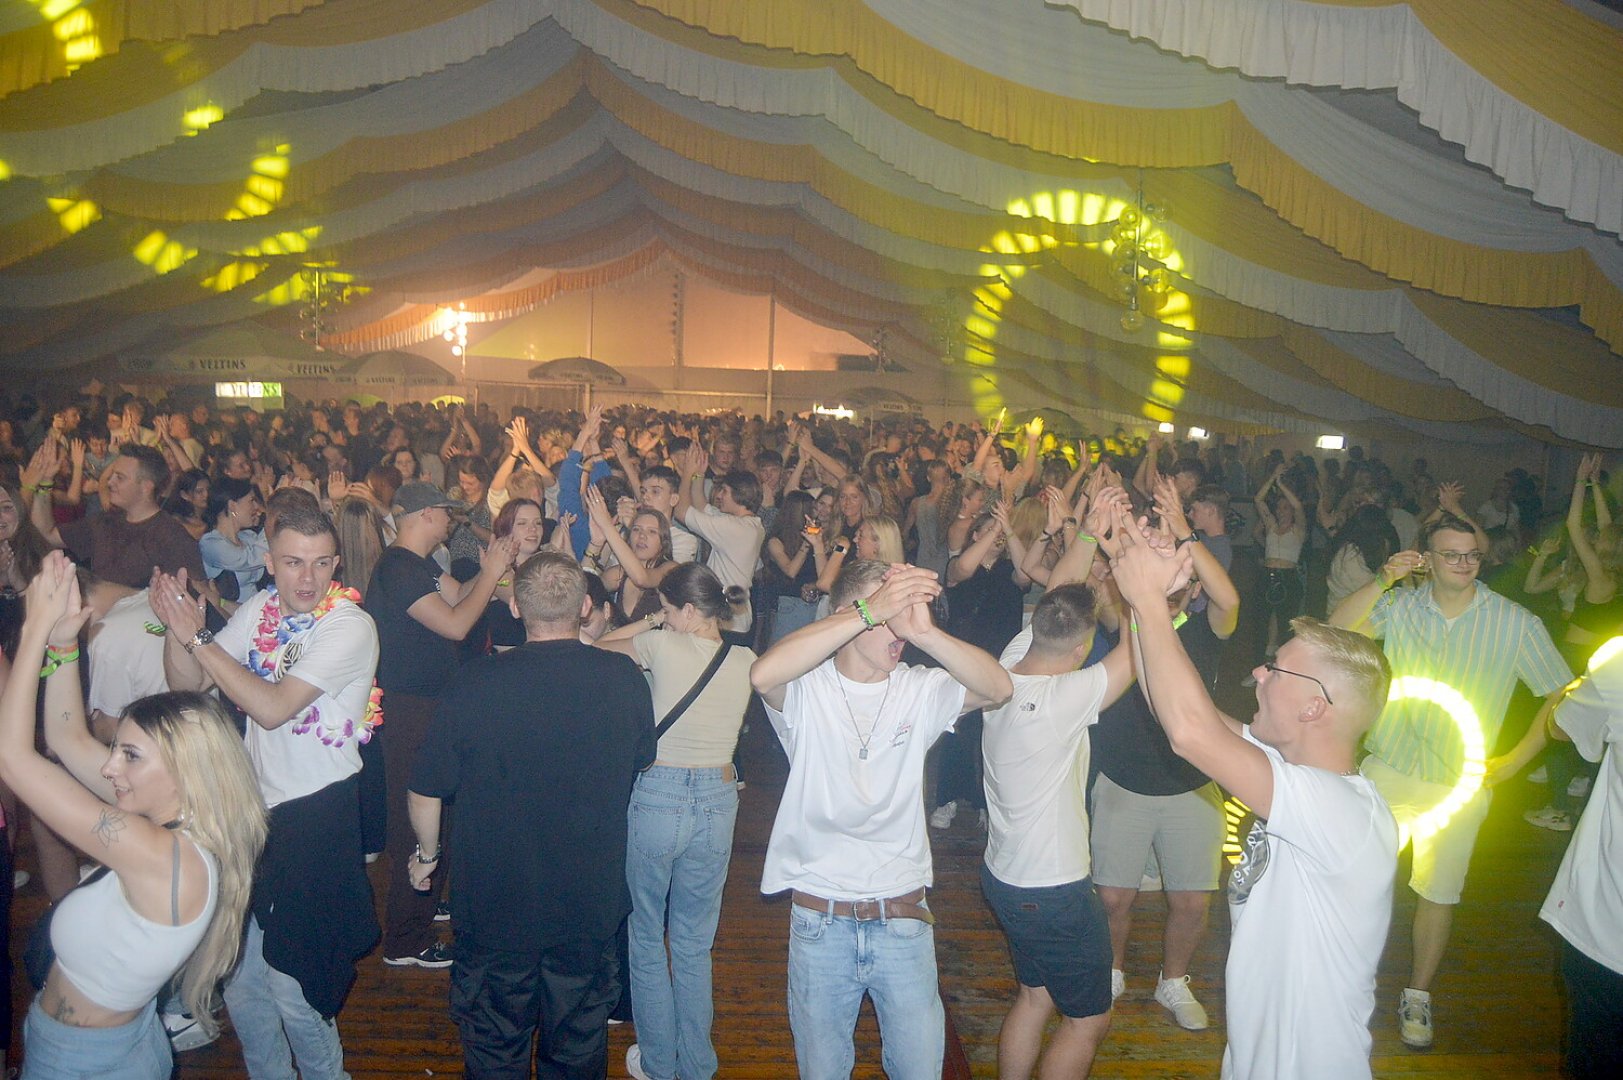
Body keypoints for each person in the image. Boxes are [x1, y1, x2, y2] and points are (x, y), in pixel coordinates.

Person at [1109, 509, 1398, 1080]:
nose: (1260, 675)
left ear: (1316, 706)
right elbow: (1172, 707)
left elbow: (1189, 732)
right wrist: (1153, 607)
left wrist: (1145, 602)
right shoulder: (1289, 770)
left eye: (1277, 670)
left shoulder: (1342, 811)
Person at [0, 551, 266, 1079]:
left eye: (130, 756)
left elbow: (12, 757)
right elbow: (66, 735)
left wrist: (32, 632)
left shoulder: (161, 855)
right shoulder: (172, 822)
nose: (111, 768)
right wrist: (62, 644)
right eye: (117, 749)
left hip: (89, 1065)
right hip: (100, 1045)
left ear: (185, 771)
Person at [750, 558, 1012, 1078]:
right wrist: (870, 610)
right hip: (819, 922)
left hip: (904, 921)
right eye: (891, 615)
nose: (901, 630)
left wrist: (928, 632)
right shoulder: (809, 688)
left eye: (908, 613)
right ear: (854, 612)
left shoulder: (919, 687)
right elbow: (762, 674)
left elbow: (999, 688)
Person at [152, 497, 381, 1080]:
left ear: (336, 565)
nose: (308, 578)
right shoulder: (259, 608)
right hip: (252, 813)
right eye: (294, 563)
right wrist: (177, 630)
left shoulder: (349, 625)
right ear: (270, 563)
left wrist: (198, 635)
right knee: (242, 978)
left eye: (322, 564)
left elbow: (273, 707)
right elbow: (192, 681)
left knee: (294, 986)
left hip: (318, 817)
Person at [407, 551, 656, 1078]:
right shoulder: (624, 677)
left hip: (495, 906)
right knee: (577, 1048)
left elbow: (427, 788)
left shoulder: (474, 682)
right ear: (586, 606)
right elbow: (641, 759)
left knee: (495, 1047)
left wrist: (426, 856)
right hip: (587, 904)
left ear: (516, 608)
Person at [1330, 514, 1572, 1048]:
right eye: (1453, 555)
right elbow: (1341, 632)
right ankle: (1345, 982)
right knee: (1357, 880)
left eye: (1473, 555)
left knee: (1438, 894)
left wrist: (1515, 759)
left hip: (1457, 784)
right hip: (1388, 767)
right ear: (1428, 559)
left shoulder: (1515, 622)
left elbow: (1561, 693)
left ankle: (1417, 994)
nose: (1465, 565)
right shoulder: (1399, 606)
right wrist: (1384, 579)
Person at [979, 497, 1135, 1079]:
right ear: (1077, 652)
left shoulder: (1010, 665)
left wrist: (1091, 536)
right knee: (1087, 1020)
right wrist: (1142, 579)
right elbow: (1138, 651)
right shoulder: (1068, 698)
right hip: (1056, 889)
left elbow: (1060, 591)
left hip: (1005, 876)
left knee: (1034, 997)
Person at [594, 564, 755, 1080]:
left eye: (666, 609)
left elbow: (591, 645)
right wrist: (660, 622)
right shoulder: (747, 658)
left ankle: (660, 1063)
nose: (661, 617)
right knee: (692, 942)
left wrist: (645, 626)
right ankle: (698, 1064)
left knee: (646, 936)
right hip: (719, 797)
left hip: (660, 793)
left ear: (687, 611)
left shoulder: (661, 646)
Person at [366, 481, 518, 968]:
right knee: (414, 812)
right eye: (445, 513)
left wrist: (492, 577)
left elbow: (460, 593)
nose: (451, 521)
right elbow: (455, 624)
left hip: (430, 702)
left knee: (438, 806)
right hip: (410, 706)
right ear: (423, 513)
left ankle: (426, 900)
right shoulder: (397, 567)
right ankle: (404, 939)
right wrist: (492, 571)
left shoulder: (418, 565)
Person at [23, 441, 205, 589]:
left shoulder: (171, 536)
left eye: (120, 477)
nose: (109, 482)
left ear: (146, 486)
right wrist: (45, 485)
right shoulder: (105, 521)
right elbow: (46, 534)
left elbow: (194, 595)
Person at [675, 446, 765, 637]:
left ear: (738, 494)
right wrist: (699, 474)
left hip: (727, 620)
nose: (718, 496)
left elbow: (681, 512)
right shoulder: (750, 525)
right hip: (737, 615)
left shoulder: (734, 528)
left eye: (724, 491)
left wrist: (687, 474)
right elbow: (701, 505)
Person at [199, 477, 268, 605]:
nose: (256, 507)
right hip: (232, 615)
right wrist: (270, 524)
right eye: (251, 501)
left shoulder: (248, 537)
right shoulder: (211, 544)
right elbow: (250, 558)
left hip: (258, 607)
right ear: (232, 505)